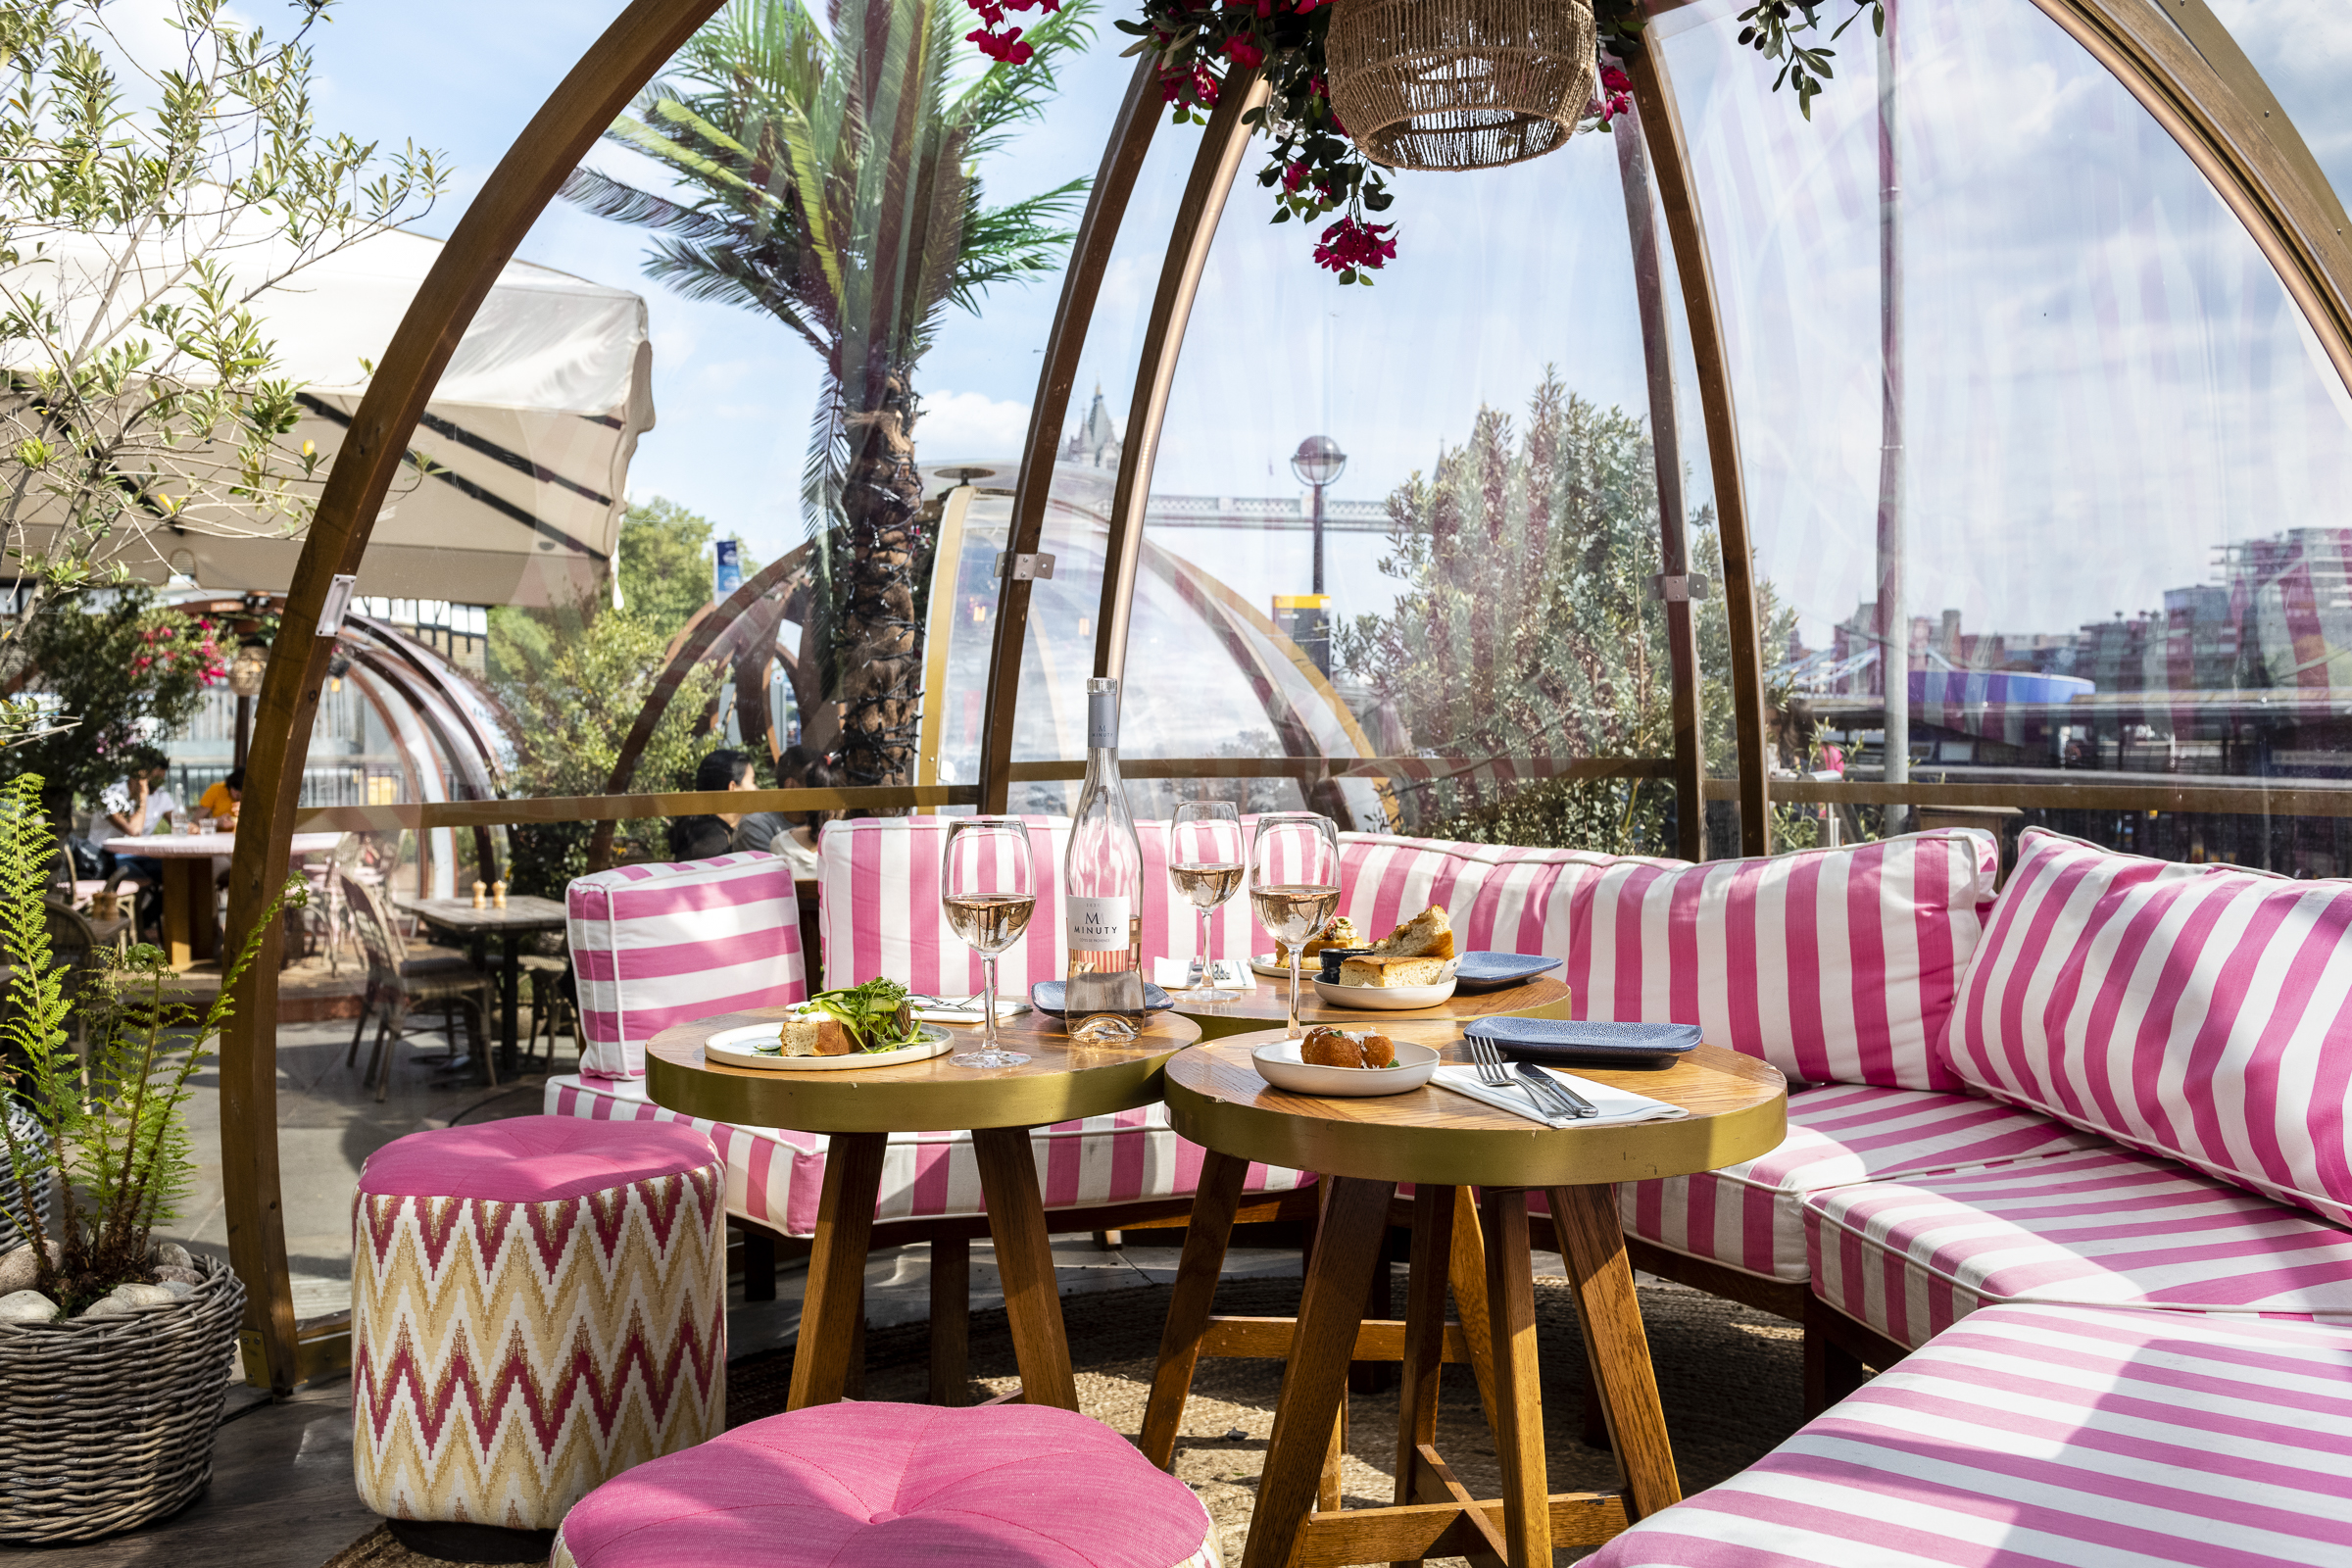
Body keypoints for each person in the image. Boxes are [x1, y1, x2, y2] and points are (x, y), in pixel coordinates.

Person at [666, 749, 755, 861]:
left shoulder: (701, 831)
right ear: (733, 788)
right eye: (753, 781)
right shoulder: (712, 840)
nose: (757, 789)